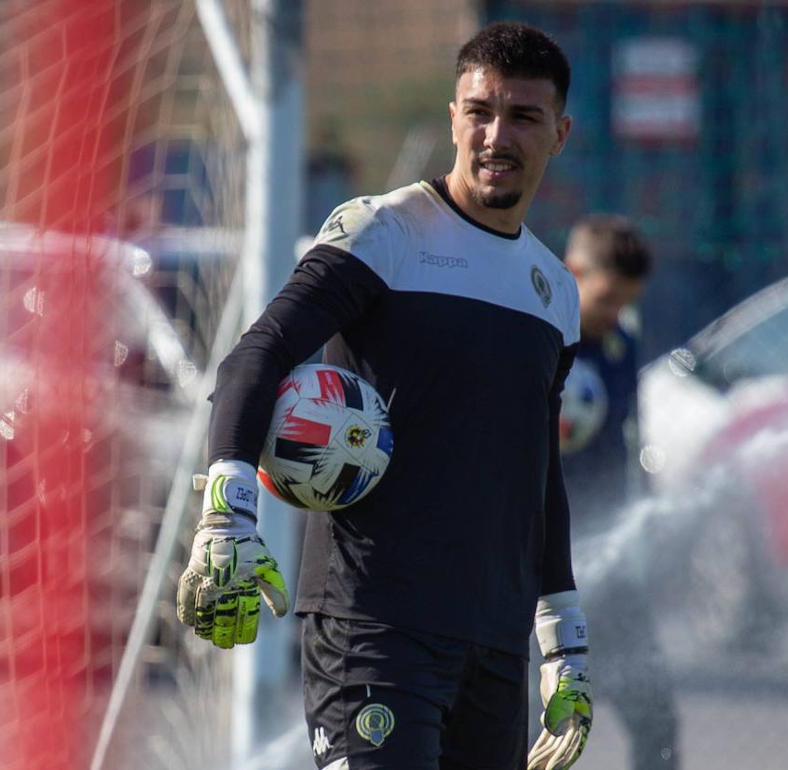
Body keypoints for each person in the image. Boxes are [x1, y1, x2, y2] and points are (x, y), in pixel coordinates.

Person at [177, 22, 592, 770]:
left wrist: (563, 640)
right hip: (373, 626)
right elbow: (256, 357)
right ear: (453, 118)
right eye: (480, 112)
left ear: (558, 133)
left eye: (523, 117)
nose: (498, 136)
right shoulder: (385, 233)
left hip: (493, 646)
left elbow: (540, 475)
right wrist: (226, 509)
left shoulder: (554, 293)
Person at [549, 214, 679, 769]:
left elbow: (628, 443)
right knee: (527, 718)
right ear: (570, 273)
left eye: (625, 301)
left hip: (607, 561)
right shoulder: (534, 341)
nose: (611, 314)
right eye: (604, 298)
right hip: (538, 569)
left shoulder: (622, 346)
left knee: (657, 719)